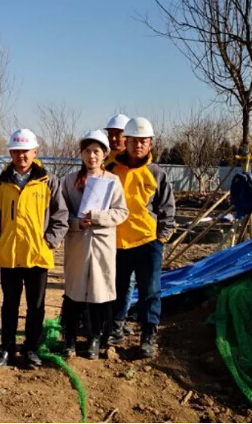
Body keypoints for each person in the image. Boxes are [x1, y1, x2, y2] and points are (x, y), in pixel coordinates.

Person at [0, 129, 69, 369]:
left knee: (36, 306)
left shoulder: (49, 181)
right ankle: (6, 348)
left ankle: (31, 348)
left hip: (37, 254)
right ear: (10, 153)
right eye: (16, 151)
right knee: (9, 304)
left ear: (35, 152)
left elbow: (61, 216)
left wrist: (49, 241)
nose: (21, 156)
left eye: (26, 151)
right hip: (9, 254)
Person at [106, 117, 176, 358]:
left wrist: (161, 238)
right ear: (125, 142)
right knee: (117, 288)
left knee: (150, 291)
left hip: (148, 242)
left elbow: (167, 208)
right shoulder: (112, 171)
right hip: (118, 242)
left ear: (150, 144)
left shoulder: (156, 173)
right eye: (134, 141)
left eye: (143, 141)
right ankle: (115, 328)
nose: (138, 145)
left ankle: (148, 335)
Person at [61, 130, 128, 359]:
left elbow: (121, 212)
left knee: (99, 293)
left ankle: (95, 339)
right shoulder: (70, 181)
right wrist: (76, 223)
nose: (92, 156)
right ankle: (69, 339)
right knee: (74, 293)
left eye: (96, 151)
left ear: (105, 154)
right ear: (81, 154)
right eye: (87, 151)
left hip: (101, 244)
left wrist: (97, 217)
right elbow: (61, 213)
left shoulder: (112, 181)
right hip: (78, 244)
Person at [104, 114, 135, 336]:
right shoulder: (105, 165)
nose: (114, 139)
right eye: (111, 134)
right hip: (107, 234)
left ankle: (119, 320)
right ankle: (106, 320)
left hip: (132, 235)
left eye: (119, 134)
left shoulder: (137, 165)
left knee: (128, 282)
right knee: (106, 280)